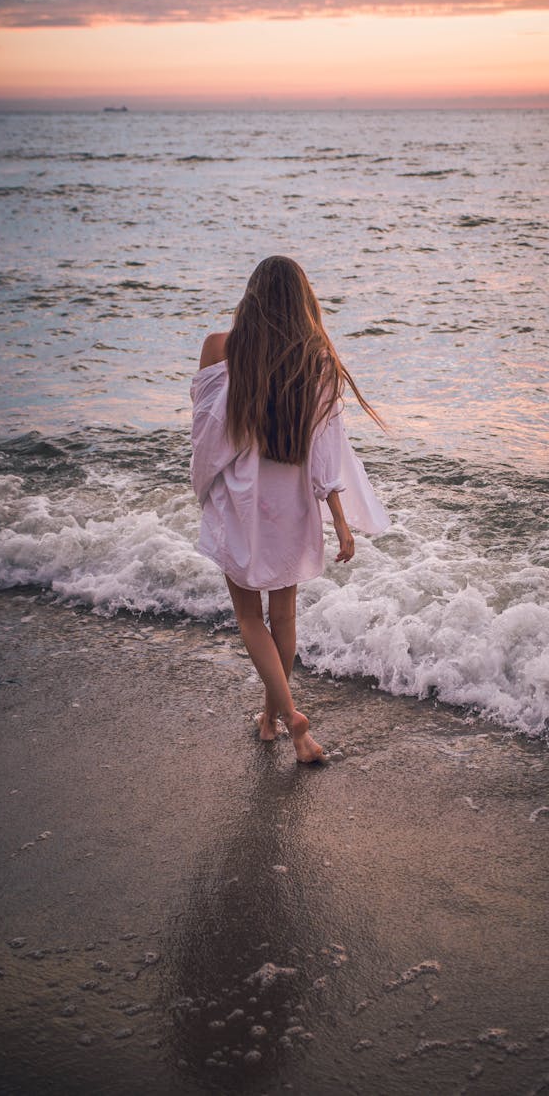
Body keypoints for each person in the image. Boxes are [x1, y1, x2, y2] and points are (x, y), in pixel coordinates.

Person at [190, 256, 389, 763]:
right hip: (292, 502)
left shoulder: (221, 347)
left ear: (252, 295)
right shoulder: (315, 358)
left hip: (242, 498)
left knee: (247, 616)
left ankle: (292, 718)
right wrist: (338, 518)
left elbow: (209, 437)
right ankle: (271, 718)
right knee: (283, 615)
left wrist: (203, 489)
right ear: (303, 301)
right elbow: (327, 447)